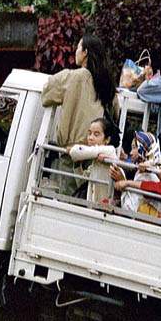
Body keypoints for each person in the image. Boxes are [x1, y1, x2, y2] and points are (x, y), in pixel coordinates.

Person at [41, 34, 116, 195]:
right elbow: (116, 112)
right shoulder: (106, 83)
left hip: (70, 154)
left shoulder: (73, 77)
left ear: (85, 53)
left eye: (78, 48)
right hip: (96, 157)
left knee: (65, 201)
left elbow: (47, 92)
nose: (75, 51)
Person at [67, 117, 119, 203]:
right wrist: (77, 165)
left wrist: (72, 149)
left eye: (96, 134)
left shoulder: (110, 150)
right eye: (89, 133)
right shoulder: (95, 160)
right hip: (93, 204)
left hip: (105, 208)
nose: (90, 138)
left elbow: (77, 152)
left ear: (107, 140)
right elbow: (82, 181)